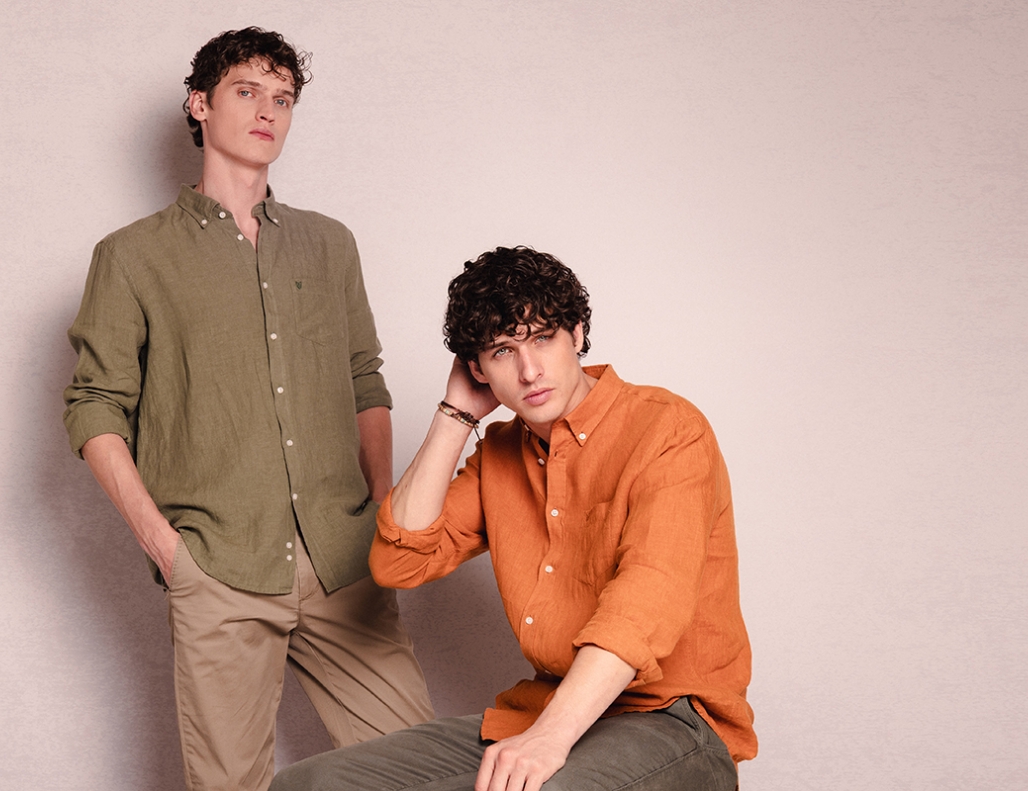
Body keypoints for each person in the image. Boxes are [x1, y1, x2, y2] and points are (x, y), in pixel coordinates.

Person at [62, 27, 432, 791]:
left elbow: (364, 379)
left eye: (283, 98)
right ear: (199, 104)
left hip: (344, 559)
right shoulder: (131, 256)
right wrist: (168, 548)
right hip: (219, 565)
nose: (268, 111)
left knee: (422, 771)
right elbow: (96, 407)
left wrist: (380, 506)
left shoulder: (330, 245)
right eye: (247, 91)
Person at [274, 247, 755, 791]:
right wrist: (456, 416)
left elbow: (644, 604)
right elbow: (399, 562)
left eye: (542, 338)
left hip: (670, 718)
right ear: (477, 369)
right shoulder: (501, 453)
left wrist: (550, 738)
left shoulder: (668, 430)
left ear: (577, 334)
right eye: (503, 351)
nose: (529, 371)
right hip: (542, 708)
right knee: (309, 784)